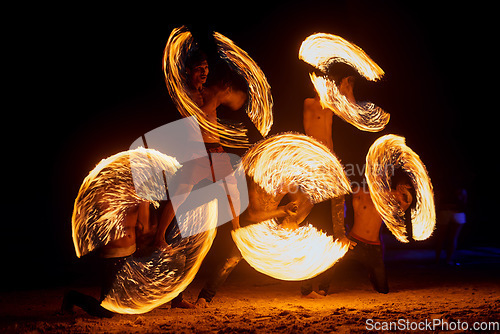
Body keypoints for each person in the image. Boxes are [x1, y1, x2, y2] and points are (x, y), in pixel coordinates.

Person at [195, 176, 312, 307]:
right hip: (250, 226)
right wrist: (283, 210)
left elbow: (305, 200)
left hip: (269, 225)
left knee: (301, 251)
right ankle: (204, 297)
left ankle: (307, 291)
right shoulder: (257, 184)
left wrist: (293, 218)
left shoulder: (283, 179)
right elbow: (252, 215)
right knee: (230, 261)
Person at [301, 172, 413, 297]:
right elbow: (342, 190)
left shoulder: (386, 198)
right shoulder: (361, 193)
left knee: (383, 290)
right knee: (332, 260)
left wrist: (404, 193)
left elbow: (403, 206)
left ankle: (373, 276)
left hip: (374, 248)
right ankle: (323, 289)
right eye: (374, 178)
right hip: (354, 242)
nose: (378, 181)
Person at [301, 63, 357, 298]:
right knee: (306, 208)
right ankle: (294, 229)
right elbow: (307, 130)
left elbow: (352, 108)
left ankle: (340, 232)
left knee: (339, 195)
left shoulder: (333, 106)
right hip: (315, 161)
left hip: (331, 160)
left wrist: (348, 87)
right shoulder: (310, 103)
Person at [61, 201, 152, 317]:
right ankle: (72, 296)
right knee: (107, 310)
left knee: (127, 302)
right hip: (113, 256)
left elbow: (144, 226)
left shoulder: (138, 192)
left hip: (130, 252)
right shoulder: (107, 192)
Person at [435, 185, 467, 265]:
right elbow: (464, 201)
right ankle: (449, 260)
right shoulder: (461, 189)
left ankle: (437, 259)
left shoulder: (443, 187)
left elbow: (437, 200)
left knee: (441, 237)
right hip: (457, 213)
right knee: (453, 238)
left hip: (444, 211)